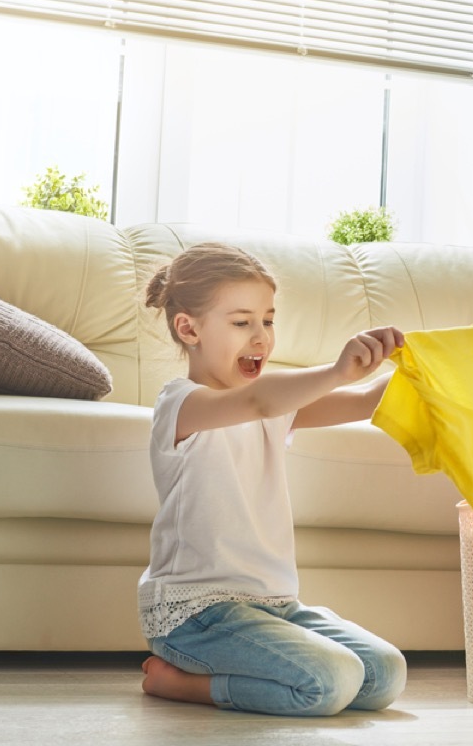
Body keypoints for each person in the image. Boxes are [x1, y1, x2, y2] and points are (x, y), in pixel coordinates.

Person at [137, 242, 426, 717]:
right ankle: (183, 685)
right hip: (196, 615)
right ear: (188, 328)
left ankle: (287, 657)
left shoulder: (271, 405)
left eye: (267, 321)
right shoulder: (183, 404)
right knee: (329, 683)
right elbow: (260, 402)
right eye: (241, 322)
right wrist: (337, 369)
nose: (261, 337)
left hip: (274, 606)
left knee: (384, 675)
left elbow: (372, 398)